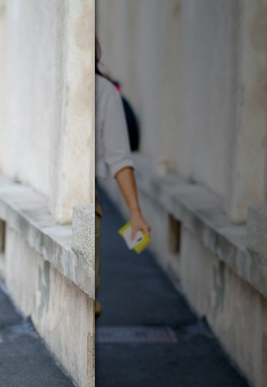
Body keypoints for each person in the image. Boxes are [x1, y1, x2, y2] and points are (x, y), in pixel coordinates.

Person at [95, 38, 152, 317]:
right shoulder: (103, 91)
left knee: (86, 293)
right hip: (69, 198)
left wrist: (135, 213)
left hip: (79, 197)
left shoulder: (104, 91)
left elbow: (120, 159)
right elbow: (120, 159)